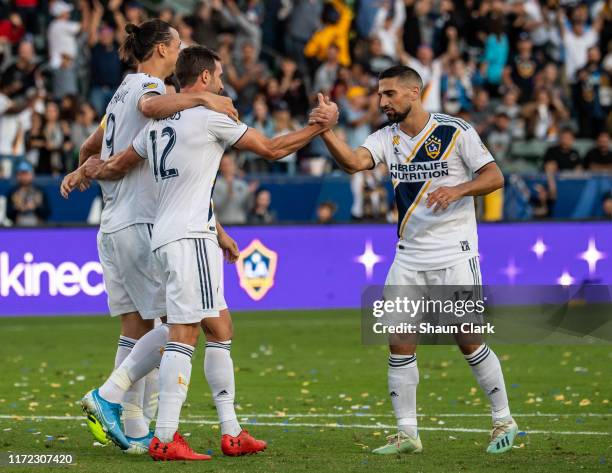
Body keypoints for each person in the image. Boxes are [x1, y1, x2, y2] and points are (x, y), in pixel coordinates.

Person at [80, 45, 339, 461]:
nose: (222, 84)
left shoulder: (154, 129)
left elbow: (117, 166)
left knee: (219, 327)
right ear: (202, 78)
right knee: (182, 332)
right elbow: (272, 149)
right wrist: (318, 128)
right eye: (217, 77)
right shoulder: (210, 117)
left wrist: (87, 168)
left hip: (170, 233)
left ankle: (231, 432)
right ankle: (158, 431)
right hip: (189, 237)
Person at [309, 65, 516, 455]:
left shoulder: (455, 131)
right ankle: (408, 433)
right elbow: (354, 162)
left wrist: (458, 190)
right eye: (379, 94)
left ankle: (503, 418)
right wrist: (324, 131)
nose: (382, 102)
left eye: (389, 94)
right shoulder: (386, 137)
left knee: (468, 340)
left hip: (455, 253)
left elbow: (494, 177)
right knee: (399, 342)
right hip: (408, 257)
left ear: (414, 93)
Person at [60, 19, 239, 455]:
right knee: (181, 324)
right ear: (161, 49)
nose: (182, 54)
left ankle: (133, 426)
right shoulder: (152, 92)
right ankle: (110, 397)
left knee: (136, 328)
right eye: (178, 46)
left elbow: (91, 145)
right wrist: (206, 97)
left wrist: (86, 167)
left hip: (112, 224)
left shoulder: (120, 90)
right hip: (143, 222)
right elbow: (151, 111)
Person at [6, 161, 50, 225]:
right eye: (21, 174)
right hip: (17, 228)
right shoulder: (12, 192)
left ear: (32, 175)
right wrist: (17, 208)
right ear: (18, 176)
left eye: (26, 174)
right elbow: (8, 214)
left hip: (38, 228)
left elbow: (47, 212)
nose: (24, 177)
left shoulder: (40, 191)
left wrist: (35, 207)